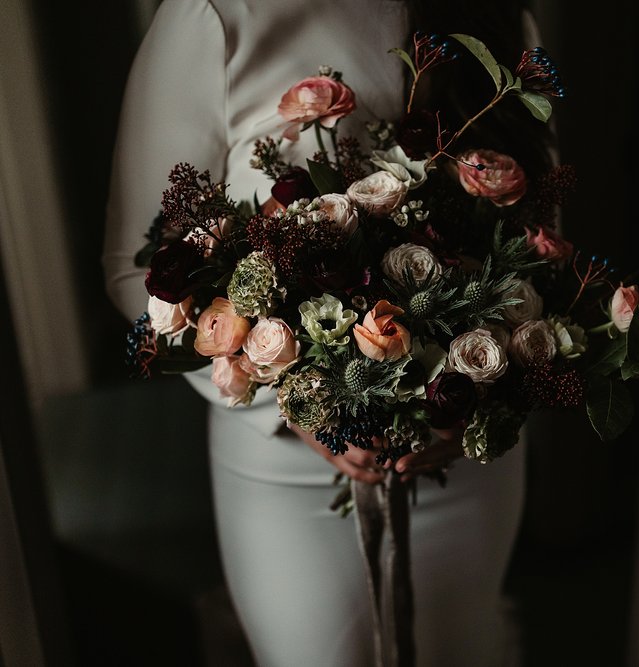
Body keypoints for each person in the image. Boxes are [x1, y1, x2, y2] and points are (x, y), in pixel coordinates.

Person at [102, 1, 553, 665]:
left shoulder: (499, 12)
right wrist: (295, 399)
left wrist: (474, 398)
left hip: (464, 457)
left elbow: (543, 240)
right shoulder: (215, 17)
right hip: (288, 469)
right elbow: (133, 268)